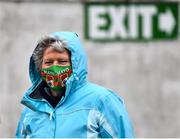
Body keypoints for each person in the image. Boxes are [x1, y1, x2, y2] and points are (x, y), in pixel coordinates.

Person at [16, 32, 134, 138]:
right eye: (48, 62)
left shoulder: (102, 100)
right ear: (40, 67)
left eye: (62, 61)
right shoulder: (31, 109)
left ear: (76, 64)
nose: (55, 67)